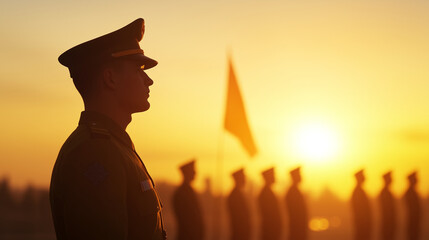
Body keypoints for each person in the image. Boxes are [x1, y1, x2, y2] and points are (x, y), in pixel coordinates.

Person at [49, 18, 166, 240]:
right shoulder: (95, 152)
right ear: (110, 78)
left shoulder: (114, 146)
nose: (148, 80)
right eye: (138, 69)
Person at [172, 159, 205, 240]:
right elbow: (186, 219)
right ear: (187, 173)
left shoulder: (188, 191)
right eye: (193, 171)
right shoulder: (181, 193)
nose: (195, 173)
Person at [227, 168, 252, 240]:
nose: (245, 179)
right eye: (243, 176)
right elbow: (239, 219)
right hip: (239, 235)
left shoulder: (238, 194)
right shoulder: (234, 196)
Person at [258, 167, 282, 240]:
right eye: (273, 175)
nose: (275, 177)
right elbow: (270, 215)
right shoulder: (265, 193)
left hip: (272, 232)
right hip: (270, 232)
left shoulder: (268, 192)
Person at [285, 166, 308, 240]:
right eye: (299, 174)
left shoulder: (295, 191)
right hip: (296, 230)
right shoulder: (293, 192)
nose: (301, 176)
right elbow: (296, 214)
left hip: (298, 230)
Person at [351, 169, 372, 240]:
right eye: (363, 176)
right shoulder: (358, 192)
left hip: (364, 224)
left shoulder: (360, 191)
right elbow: (360, 211)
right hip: (362, 224)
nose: (365, 177)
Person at [378, 171, 396, 240]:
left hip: (389, 223)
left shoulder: (387, 192)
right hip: (387, 223)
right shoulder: (385, 192)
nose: (392, 179)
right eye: (390, 178)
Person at [404, 171, 421, 240]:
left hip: (414, 222)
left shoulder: (413, 192)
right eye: (415, 178)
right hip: (412, 222)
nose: (417, 180)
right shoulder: (410, 193)